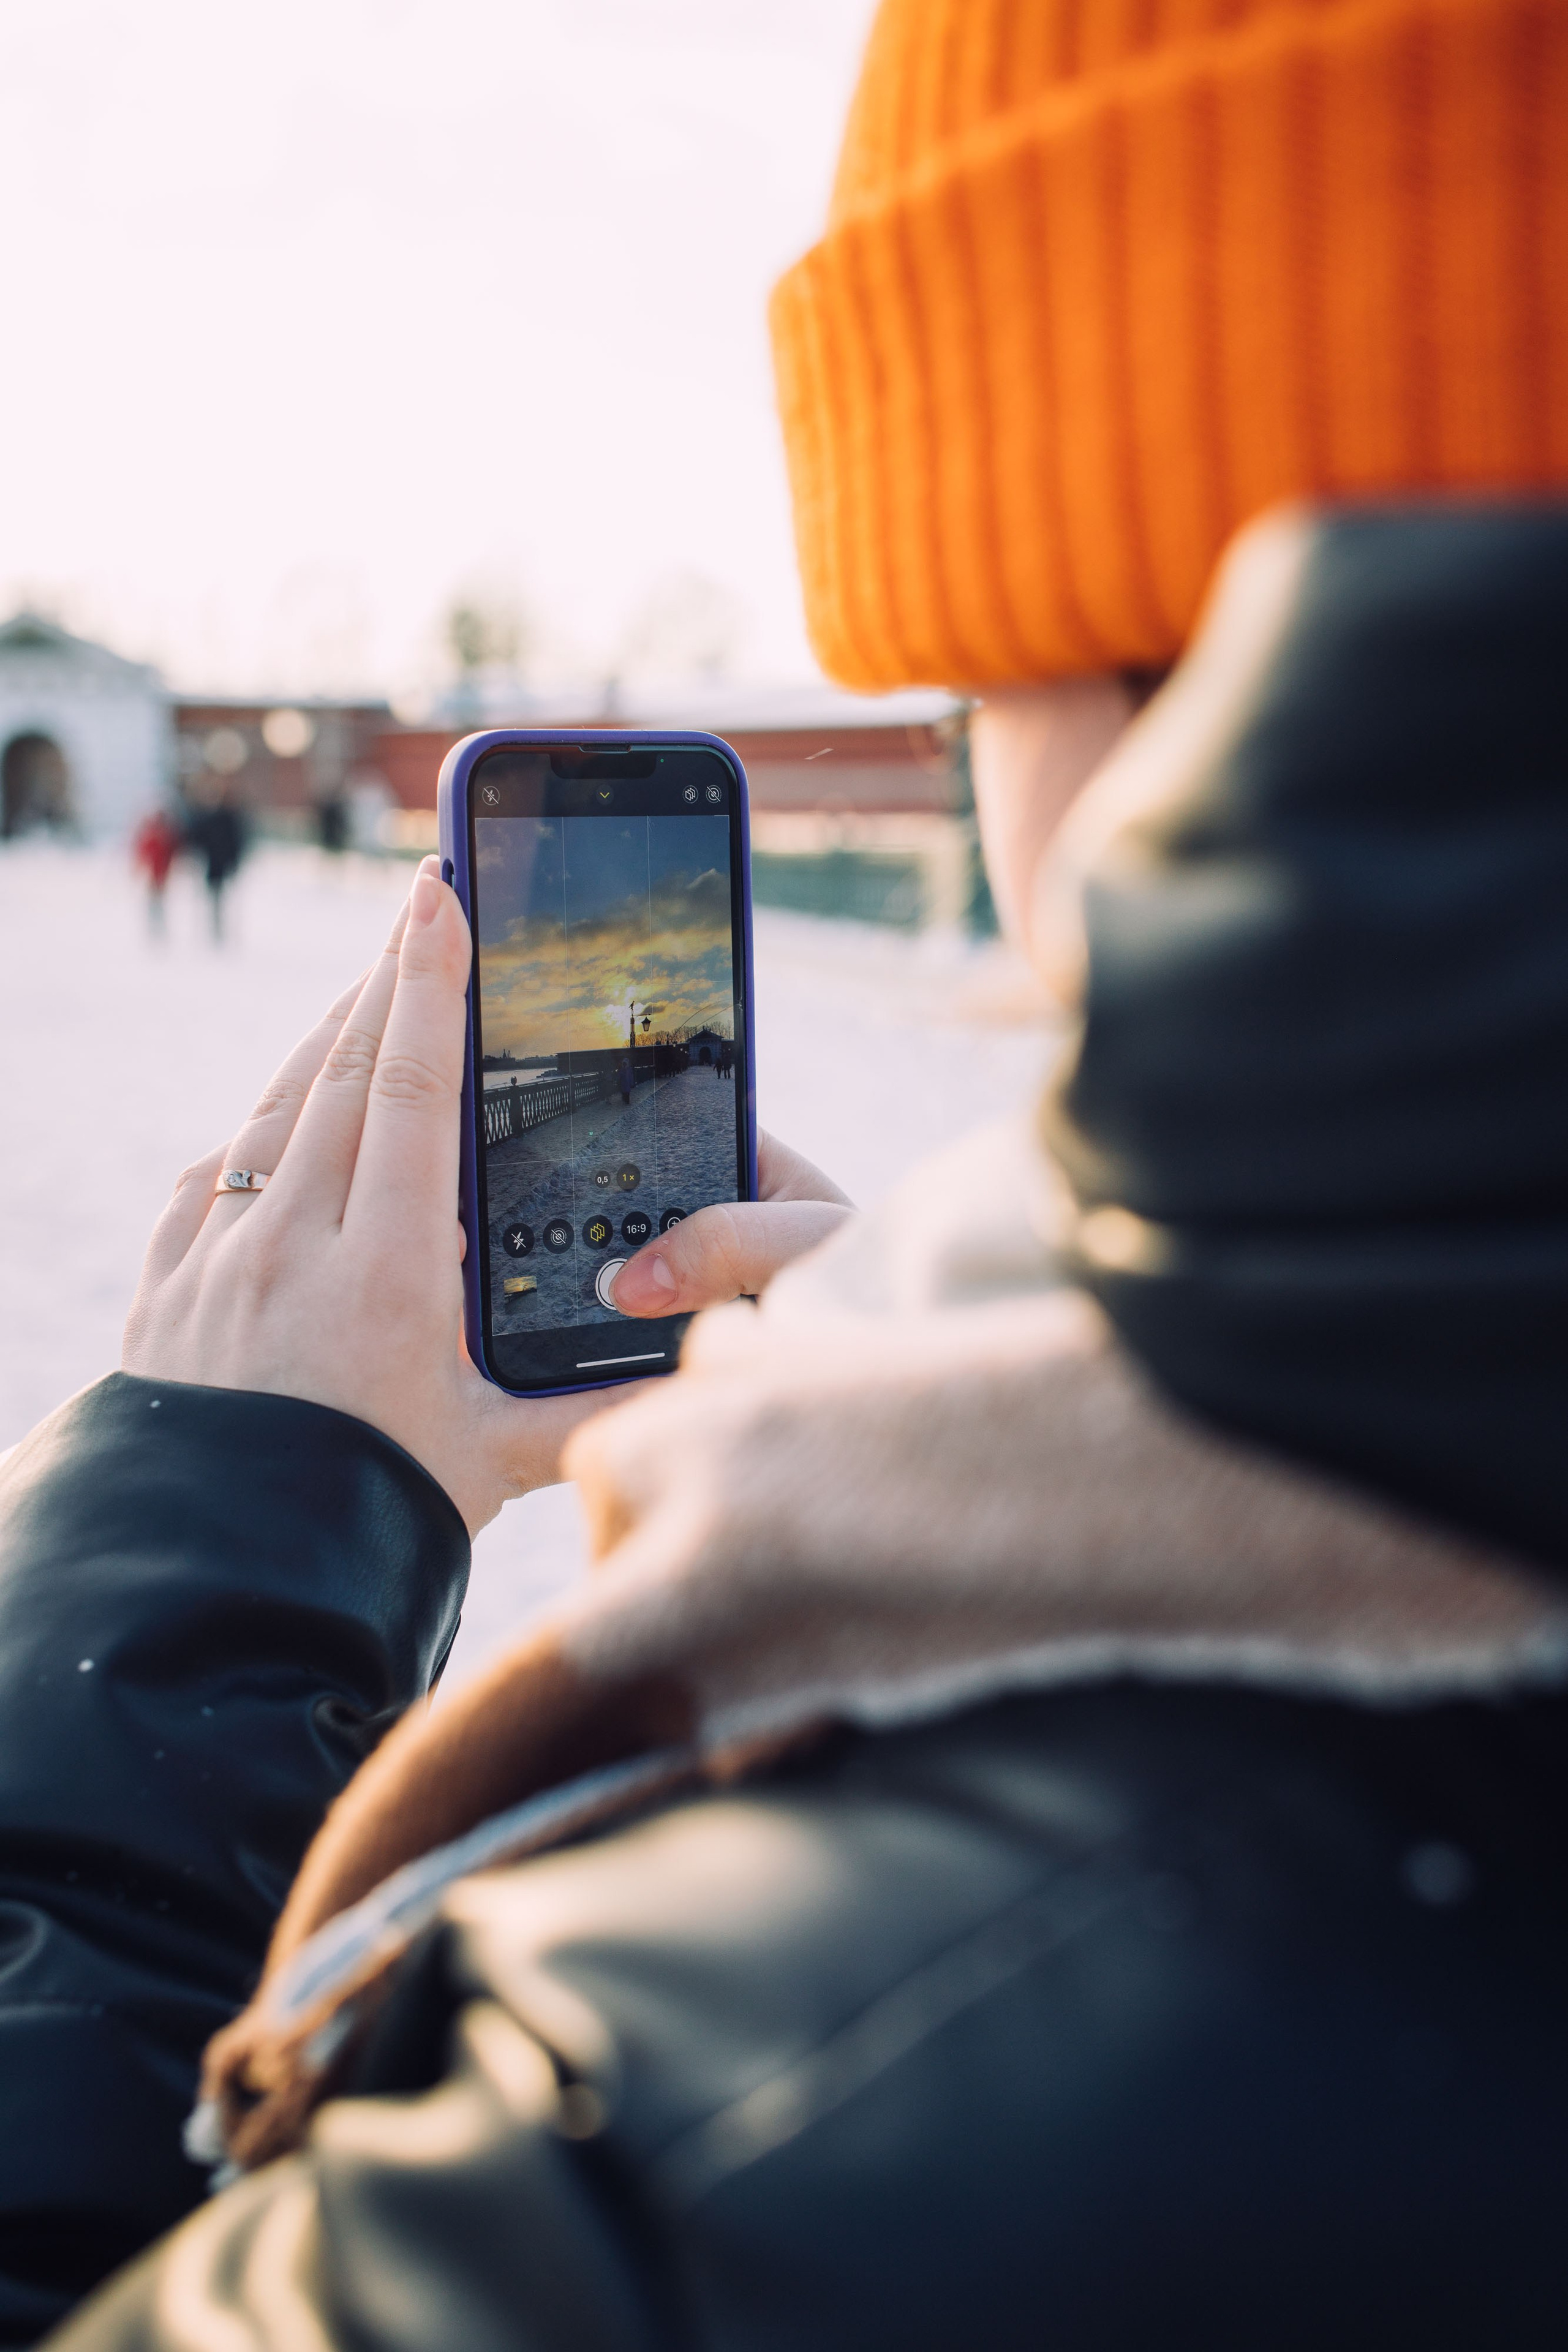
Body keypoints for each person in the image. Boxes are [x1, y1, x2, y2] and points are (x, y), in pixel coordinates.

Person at [6, 1, 1568, 2344]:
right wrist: (1052, 1468)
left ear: (1094, 629)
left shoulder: (692, 2146)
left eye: (962, 671)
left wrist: (202, 1562)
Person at [181, 787, 247, 944]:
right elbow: (199, 838)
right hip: (215, 864)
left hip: (219, 864)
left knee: (219, 897)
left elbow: (236, 843)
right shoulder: (218, 819)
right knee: (216, 897)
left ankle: (218, 928)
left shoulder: (228, 819)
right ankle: (216, 928)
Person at [129, 807, 180, 938]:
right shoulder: (153, 837)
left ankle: (159, 929)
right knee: (153, 901)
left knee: (159, 901)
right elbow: (144, 853)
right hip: (153, 875)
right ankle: (153, 929)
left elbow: (171, 855)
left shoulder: (167, 838)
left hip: (161, 874)